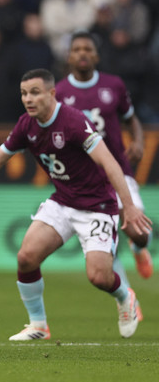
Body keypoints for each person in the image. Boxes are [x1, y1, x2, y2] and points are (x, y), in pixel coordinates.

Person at [0, 68, 151, 340]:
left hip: (98, 205)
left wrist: (129, 205)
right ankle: (39, 325)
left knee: (99, 277)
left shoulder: (73, 121)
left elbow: (109, 162)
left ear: (52, 93)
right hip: (64, 201)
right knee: (26, 257)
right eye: (23, 94)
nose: (28, 99)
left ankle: (125, 296)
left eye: (35, 92)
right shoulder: (26, 124)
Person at [55, 31, 153, 279]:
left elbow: (131, 118)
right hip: (86, 180)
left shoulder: (114, 85)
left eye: (87, 49)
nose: (82, 54)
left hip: (118, 168)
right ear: (69, 56)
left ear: (96, 56)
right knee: (106, 241)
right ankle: (126, 293)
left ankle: (139, 248)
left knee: (139, 232)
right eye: (77, 49)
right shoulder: (60, 91)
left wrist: (139, 141)